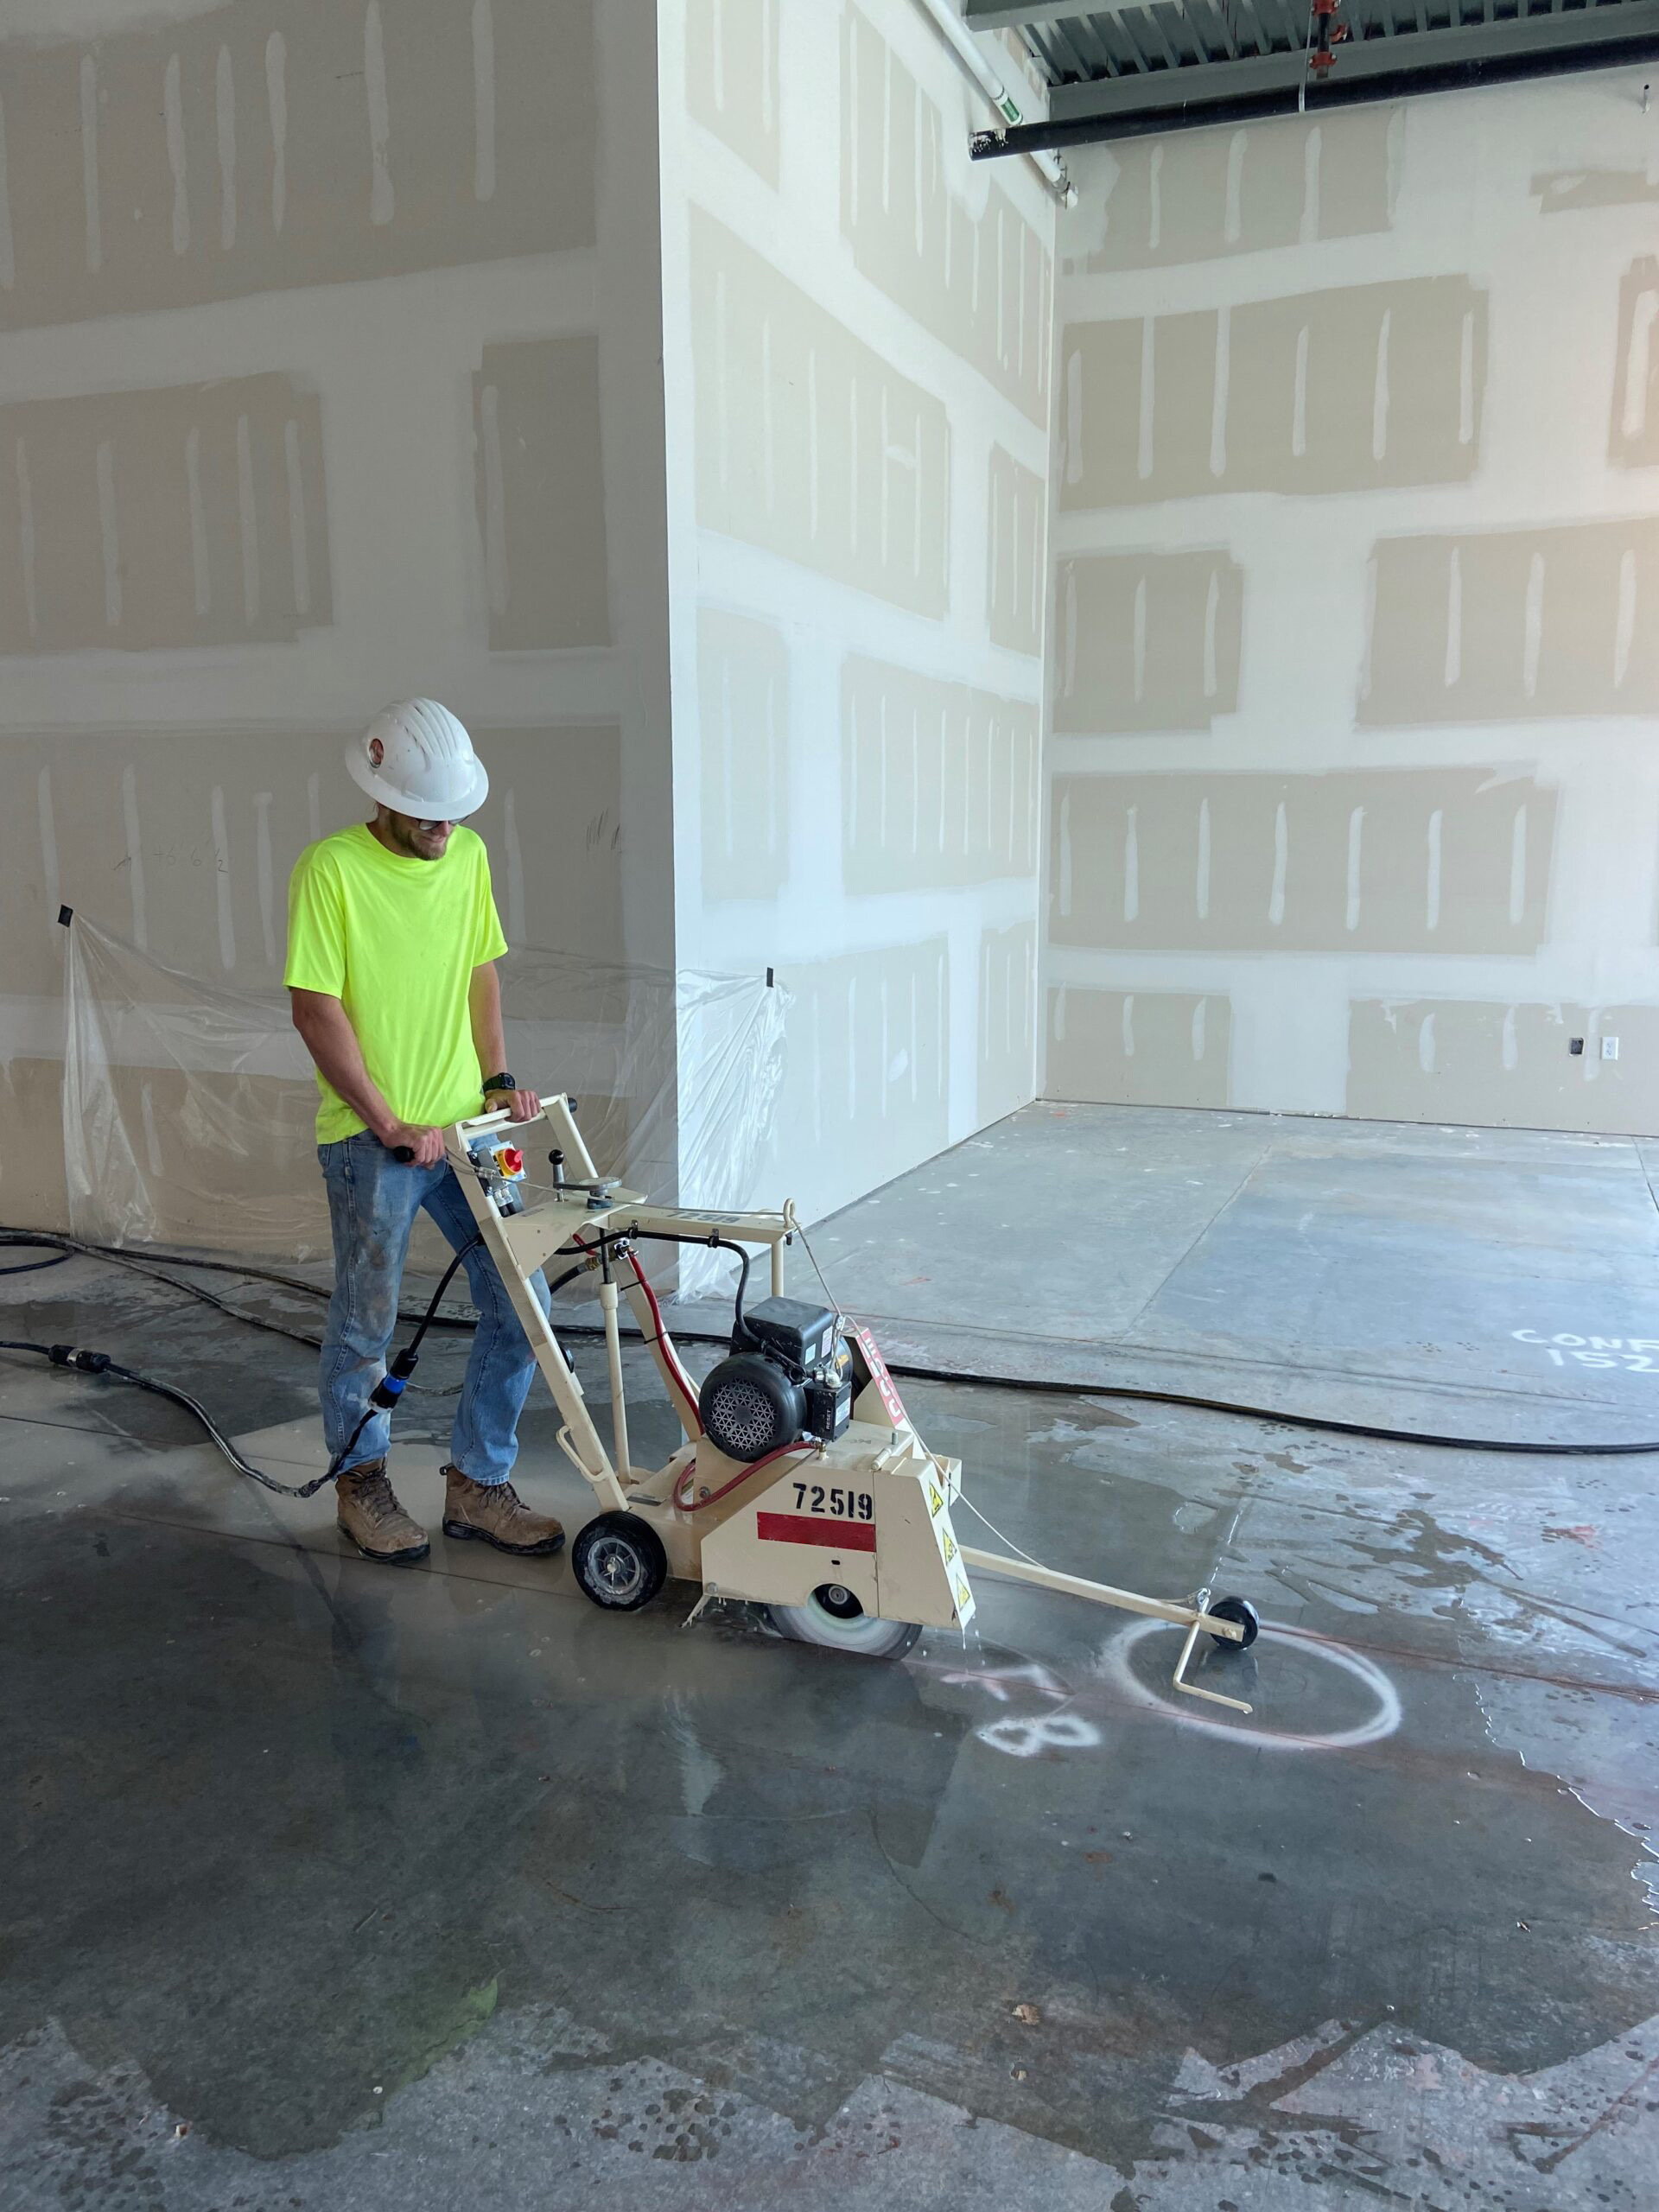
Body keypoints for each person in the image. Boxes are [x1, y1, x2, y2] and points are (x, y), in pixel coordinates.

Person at [283, 699, 565, 1567]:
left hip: (467, 1129)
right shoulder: (330, 871)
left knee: (526, 1303)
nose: (444, 829)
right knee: (368, 1321)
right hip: (374, 1139)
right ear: (381, 796)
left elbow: (479, 970)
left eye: (453, 813)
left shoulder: (468, 854)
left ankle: (478, 1484)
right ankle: (361, 1484)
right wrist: (387, 1119)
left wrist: (497, 1080)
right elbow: (314, 1007)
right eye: (426, 815)